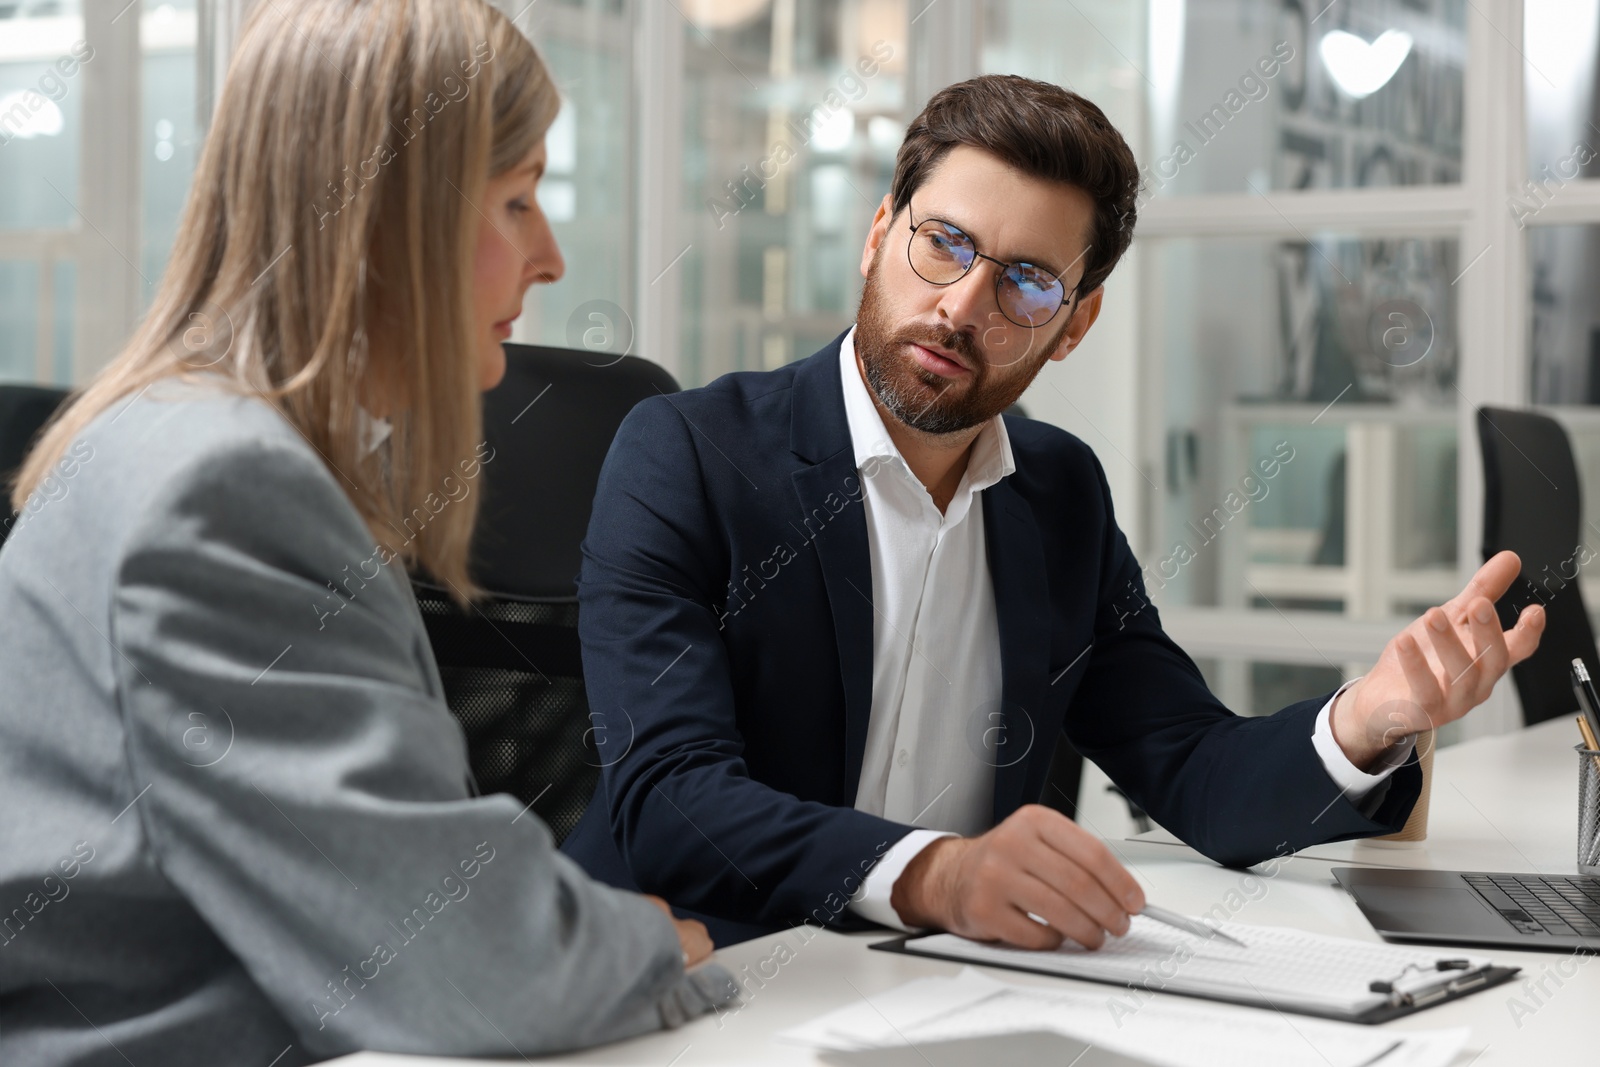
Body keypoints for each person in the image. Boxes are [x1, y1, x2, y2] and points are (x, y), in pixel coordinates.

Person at [561, 74, 1546, 949]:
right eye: (942, 243)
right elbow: (667, 795)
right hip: (693, 974)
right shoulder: (687, 452)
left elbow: (1193, 768)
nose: (961, 306)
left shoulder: (1056, 489)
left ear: (1075, 323)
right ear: (876, 234)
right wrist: (936, 872)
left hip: (938, 985)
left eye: (1026, 280)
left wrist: (1367, 718)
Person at [0, 2, 732, 1064]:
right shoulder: (225, 486)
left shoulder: (171, 434)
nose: (553, 257)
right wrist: (656, 948)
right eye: (519, 199)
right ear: (399, 218)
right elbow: (474, 970)